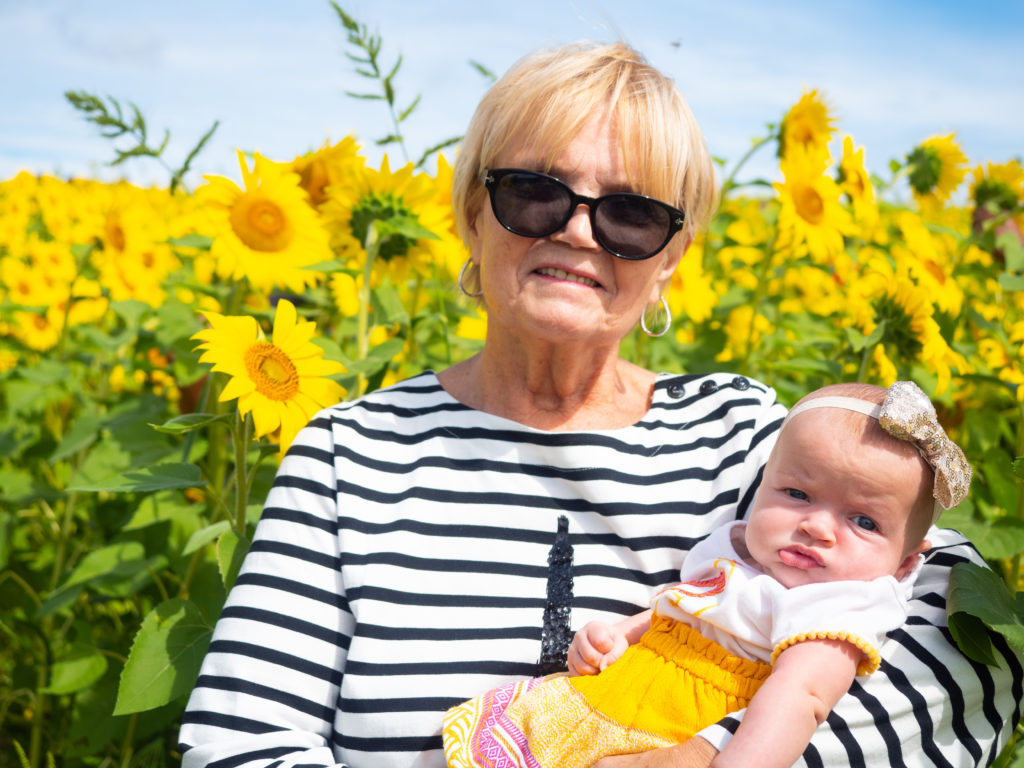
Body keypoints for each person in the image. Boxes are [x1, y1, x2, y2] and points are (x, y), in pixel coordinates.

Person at [178, 41, 1023, 768]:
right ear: (474, 213)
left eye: (630, 214)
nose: (578, 232)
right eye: (534, 192)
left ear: (671, 259)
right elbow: (239, 738)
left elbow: (970, 645)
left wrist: (706, 758)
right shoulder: (351, 453)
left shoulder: (740, 436)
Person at [442, 380, 972, 768]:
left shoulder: (836, 608)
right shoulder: (741, 550)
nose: (816, 527)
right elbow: (684, 605)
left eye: (862, 521)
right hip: (625, 694)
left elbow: (801, 698)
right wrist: (622, 634)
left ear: (905, 564)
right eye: (796, 493)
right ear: (761, 486)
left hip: (671, 731)